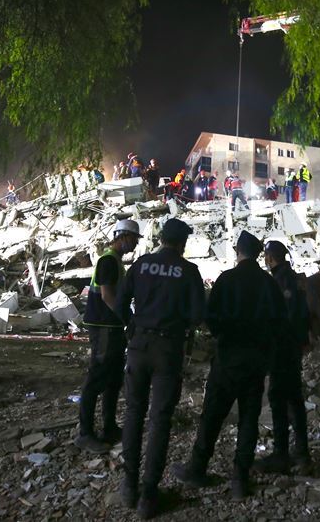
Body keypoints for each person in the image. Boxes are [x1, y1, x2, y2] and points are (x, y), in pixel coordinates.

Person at [173, 231, 286, 500]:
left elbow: (210, 317)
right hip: (256, 361)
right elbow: (280, 321)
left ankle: (197, 468)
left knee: (212, 414)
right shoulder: (269, 284)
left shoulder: (226, 279)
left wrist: (222, 335)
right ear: (258, 254)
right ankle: (239, 480)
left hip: (228, 359)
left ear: (238, 251)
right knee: (249, 419)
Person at [114, 219, 205, 518]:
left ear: (162, 238)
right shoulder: (188, 271)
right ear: (182, 244)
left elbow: (119, 303)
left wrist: (131, 325)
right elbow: (197, 315)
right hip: (168, 350)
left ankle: (129, 486)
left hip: (139, 346)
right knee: (160, 420)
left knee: (133, 413)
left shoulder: (141, 265)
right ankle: (149, 494)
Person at [76, 219, 142, 452]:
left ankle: (109, 427)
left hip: (111, 327)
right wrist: (126, 319)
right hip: (103, 326)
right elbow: (107, 296)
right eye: (133, 239)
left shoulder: (115, 261)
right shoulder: (108, 261)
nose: (135, 244)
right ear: (122, 237)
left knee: (113, 378)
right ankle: (85, 433)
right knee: (97, 377)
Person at [254, 241, 311, 474]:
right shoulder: (294, 278)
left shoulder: (278, 281)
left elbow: (278, 318)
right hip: (293, 349)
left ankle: (282, 455)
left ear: (270, 258)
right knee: (294, 399)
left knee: (278, 399)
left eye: (266, 257)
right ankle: (302, 453)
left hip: (281, 350)